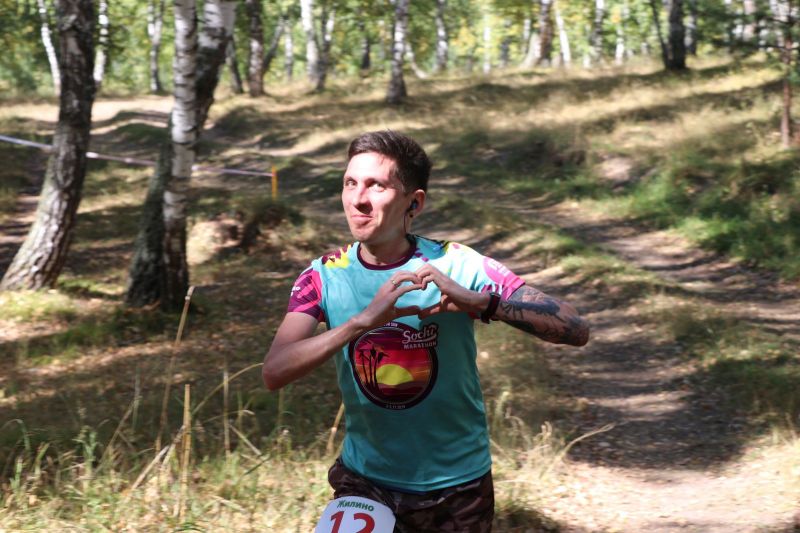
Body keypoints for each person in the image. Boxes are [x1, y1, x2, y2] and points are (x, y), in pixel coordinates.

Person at [263, 131, 589, 532]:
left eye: (376, 185)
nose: (358, 199)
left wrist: (482, 303)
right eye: (350, 183)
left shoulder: (458, 263)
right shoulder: (323, 275)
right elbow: (274, 371)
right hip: (365, 481)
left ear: (414, 203)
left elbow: (575, 328)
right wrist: (360, 323)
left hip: (458, 486)